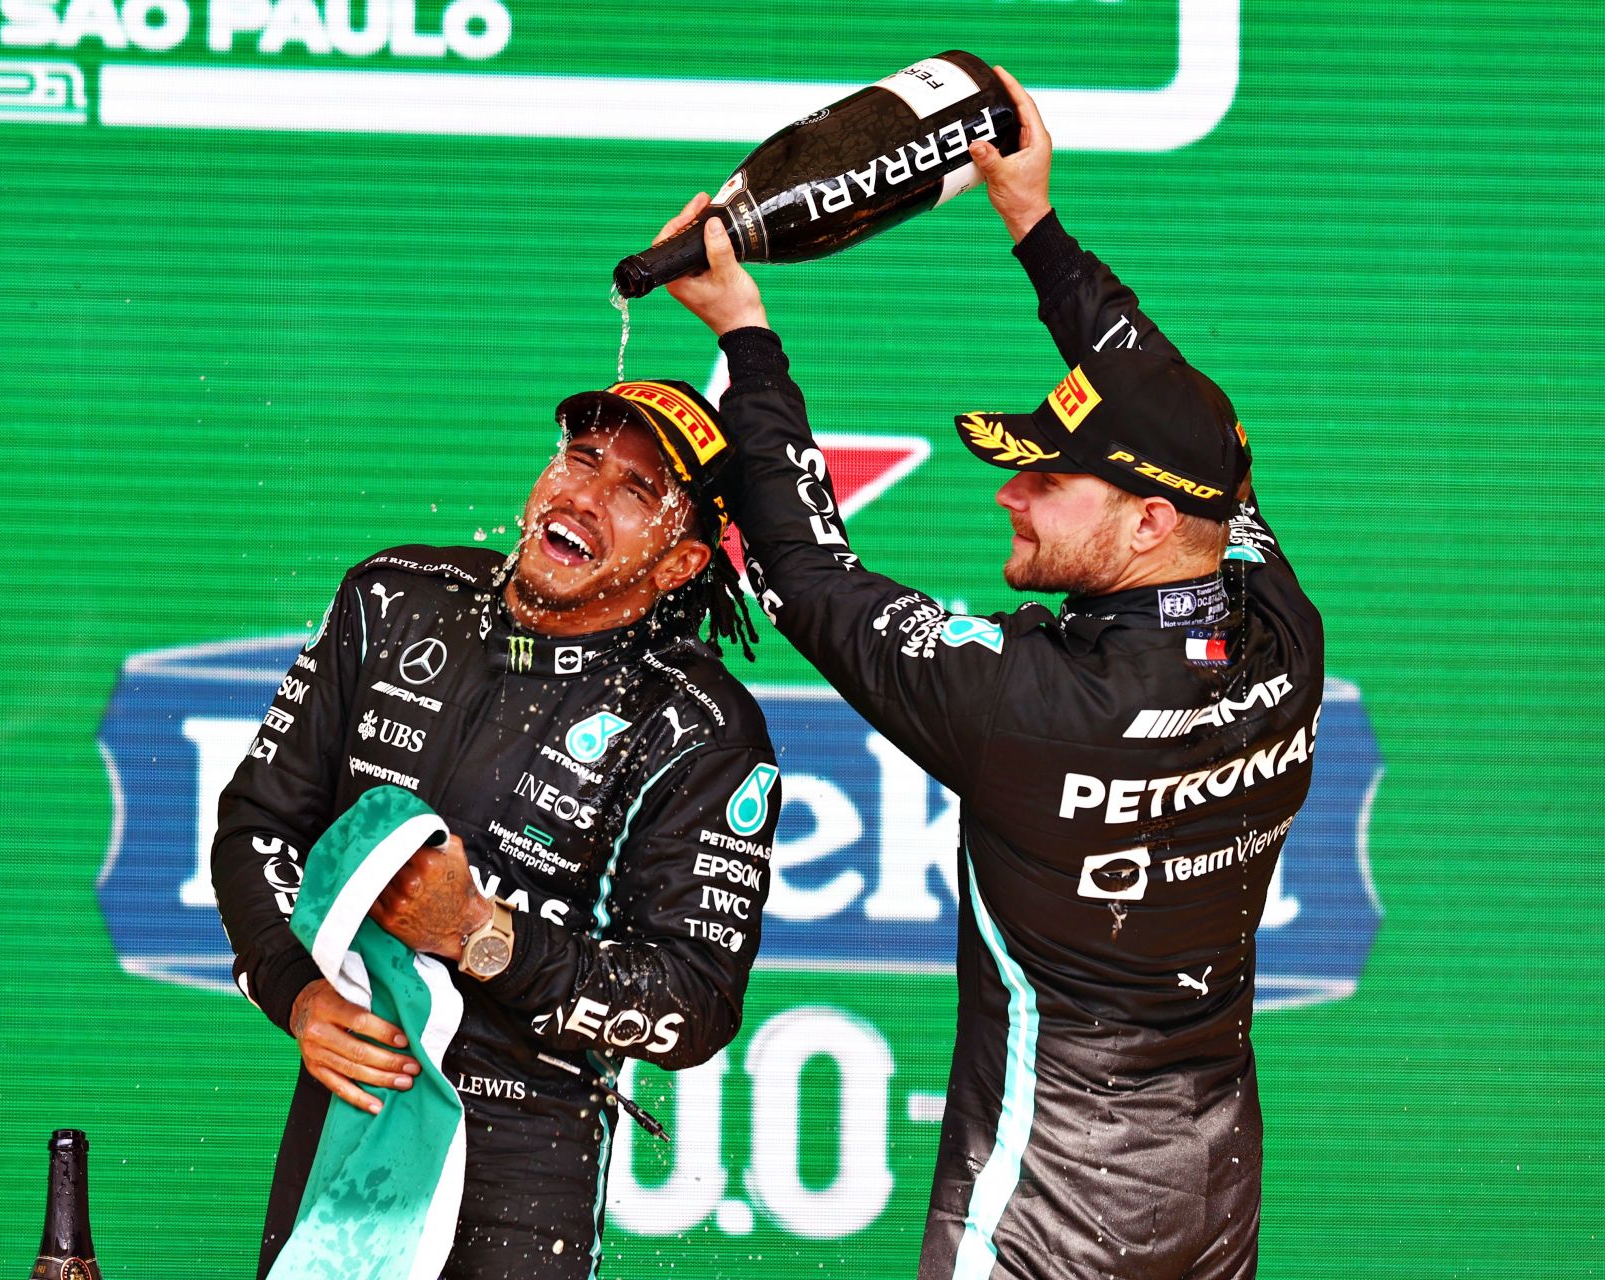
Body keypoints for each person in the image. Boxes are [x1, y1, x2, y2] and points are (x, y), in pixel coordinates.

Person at [660, 67, 1323, 1280]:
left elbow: (810, 578)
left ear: (1142, 525)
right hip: (1217, 1175)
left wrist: (745, 335)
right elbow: (1200, 431)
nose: (1010, 487)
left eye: (1048, 476)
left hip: (1048, 1196)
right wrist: (1035, 223)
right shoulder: (1276, 621)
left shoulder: (1029, 704)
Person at [209, 376, 781, 1280]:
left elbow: (694, 1001)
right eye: (580, 459)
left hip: (529, 1141)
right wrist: (295, 991)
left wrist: (481, 936)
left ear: (679, 565)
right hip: (357, 1095)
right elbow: (257, 820)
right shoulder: (394, 600)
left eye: (637, 493)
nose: (583, 495)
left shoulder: (699, 726)